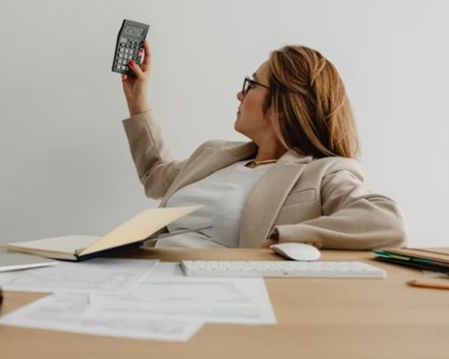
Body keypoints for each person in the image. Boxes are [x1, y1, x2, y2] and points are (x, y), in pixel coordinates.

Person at [120, 41, 406, 250]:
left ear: (284, 104)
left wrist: (284, 239)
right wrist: (137, 99)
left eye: (252, 85)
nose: (239, 94)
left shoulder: (323, 173)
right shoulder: (215, 155)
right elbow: (155, 176)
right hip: (146, 271)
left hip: (214, 292)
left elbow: (384, 221)